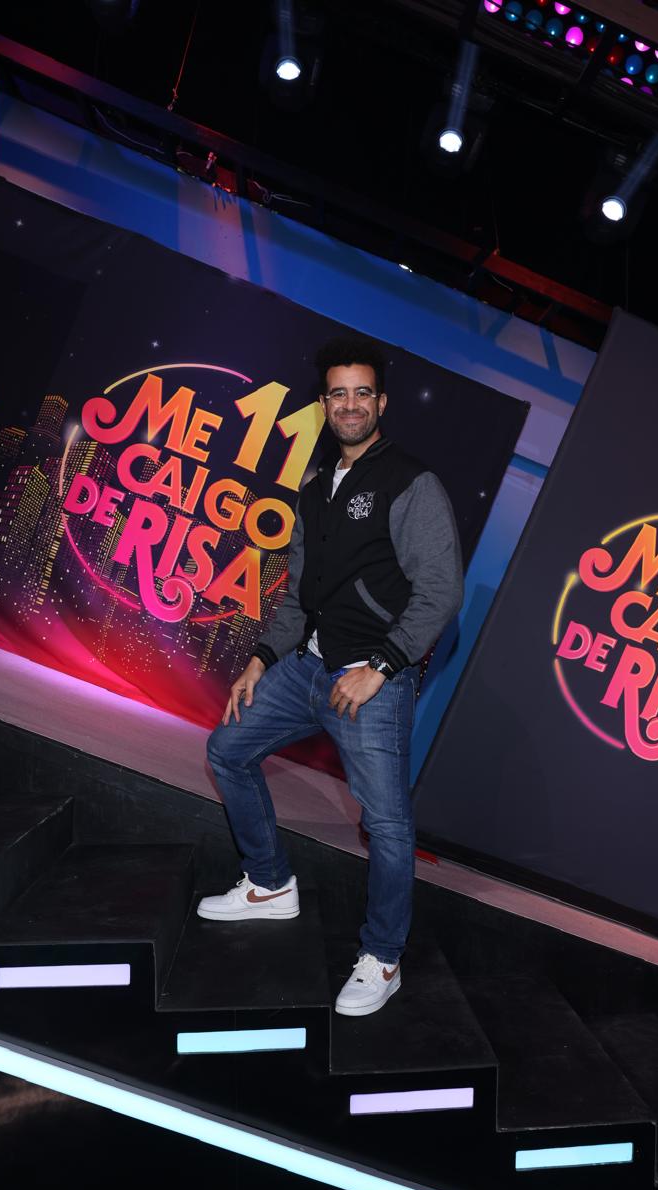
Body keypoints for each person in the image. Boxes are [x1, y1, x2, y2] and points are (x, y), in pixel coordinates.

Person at [200, 337, 464, 1016]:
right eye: (338, 393)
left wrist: (381, 666)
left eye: (362, 393)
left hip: (370, 682)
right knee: (227, 749)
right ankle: (269, 884)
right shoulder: (315, 487)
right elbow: (299, 594)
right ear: (324, 404)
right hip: (306, 669)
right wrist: (261, 658)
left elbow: (440, 593)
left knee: (387, 824)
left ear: (382, 403)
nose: (350, 405)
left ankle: (383, 957)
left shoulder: (412, 483)